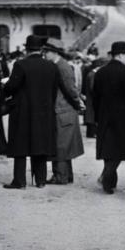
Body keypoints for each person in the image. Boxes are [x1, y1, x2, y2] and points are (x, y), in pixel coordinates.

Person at [2, 35, 58, 189]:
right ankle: (40, 180)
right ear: (42, 49)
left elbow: (11, 87)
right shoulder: (51, 66)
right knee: (40, 145)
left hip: (23, 112)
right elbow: (54, 91)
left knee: (20, 145)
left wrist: (4, 89)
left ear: (27, 49)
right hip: (44, 112)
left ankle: (19, 181)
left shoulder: (21, 65)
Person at [92, 41, 125, 194]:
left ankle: (110, 183)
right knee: (119, 150)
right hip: (122, 117)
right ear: (121, 55)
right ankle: (105, 177)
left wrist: (97, 114)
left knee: (107, 148)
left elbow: (95, 96)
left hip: (104, 115)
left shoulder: (101, 72)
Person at [42, 38, 84, 185]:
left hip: (62, 110)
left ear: (54, 52)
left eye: (46, 51)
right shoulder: (60, 65)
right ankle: (67, 175)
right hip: (64, 110)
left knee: (60, 146)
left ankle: (60, 176)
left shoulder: (61, 66)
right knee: (65, 145)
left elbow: (71, 90)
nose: (44, 54)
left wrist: (77, 103)